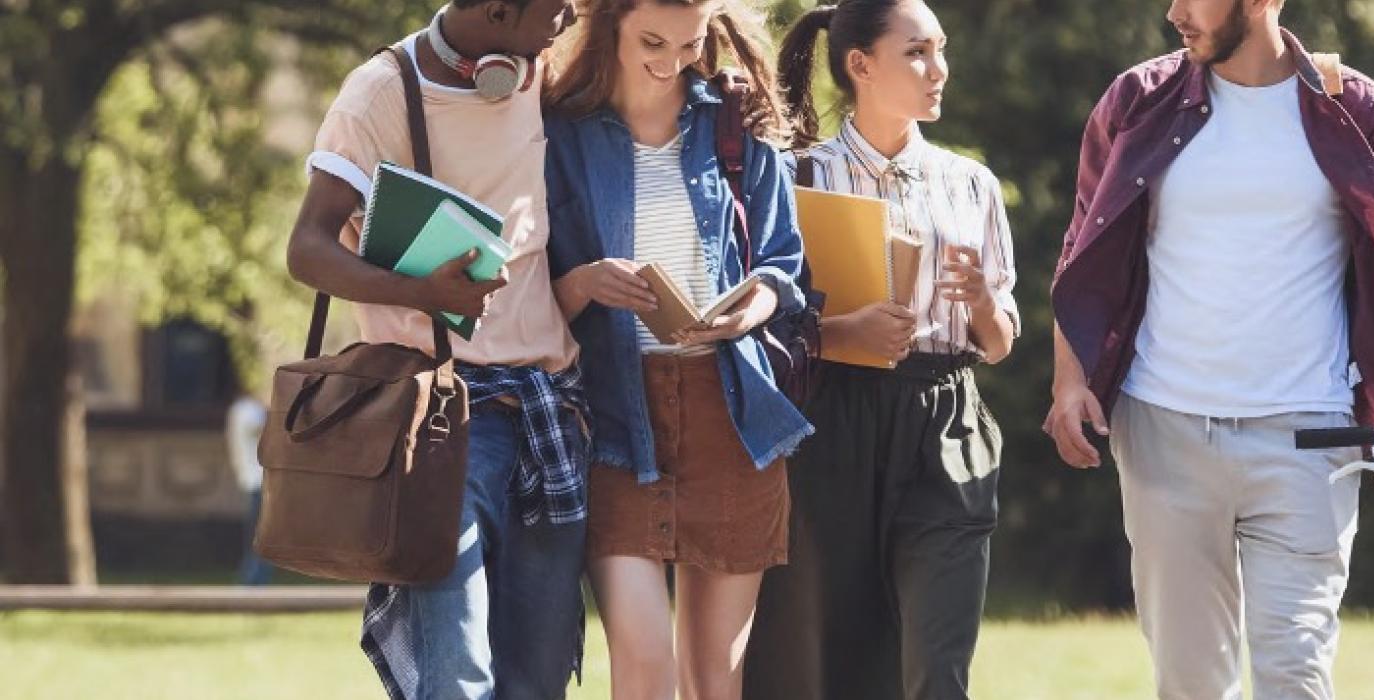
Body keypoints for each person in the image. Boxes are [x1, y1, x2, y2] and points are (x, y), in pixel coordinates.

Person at [1043, 1, 1374, 698]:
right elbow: (1083, 249)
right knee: (1191, 681)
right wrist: (1070, 383)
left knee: (1296, 673)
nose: (1175, 12)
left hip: (1309, 436)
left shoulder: (1354, 106)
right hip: (1165, 429)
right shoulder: (1138, 101)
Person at [283, 1, 589, 697]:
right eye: (557, 6)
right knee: (455, 678)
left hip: (547, 417)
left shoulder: (549, 68)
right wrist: (418, 292)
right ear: (495, 8)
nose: (572, 17)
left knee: (537, 682)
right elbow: (307, 248)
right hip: (438, 423)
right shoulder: (381, 92)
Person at [742, 2, 1020, 698]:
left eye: (941, 50)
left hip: (949, 419)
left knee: (938, 659)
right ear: (861, 65)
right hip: (831, 417)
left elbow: (1003, 340)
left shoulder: (972, 184)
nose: (939, 70)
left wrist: (984, 302)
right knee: (832, 658)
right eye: (918, 53)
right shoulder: (796, 178)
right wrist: (840, 334)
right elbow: (757, 324)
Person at [542, 1, 809, 697]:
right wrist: (582, 282)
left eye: (690, 44)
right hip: (613, 426)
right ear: (610, 26)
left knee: (715, 684)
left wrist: (758, 301)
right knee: (644, 666)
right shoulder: (557, 135)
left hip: (732, 420)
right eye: (651, 41)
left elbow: (785, 264)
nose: (670, 61)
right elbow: (522, 290)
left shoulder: (735, 126)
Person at [226, 393, 272, 586]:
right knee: (262, 534)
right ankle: (253, 580)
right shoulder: (248, 410)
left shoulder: (240, 410)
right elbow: (262, 428)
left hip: (256, 479)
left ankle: (253, 578)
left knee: (260, 533)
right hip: (259, 480)